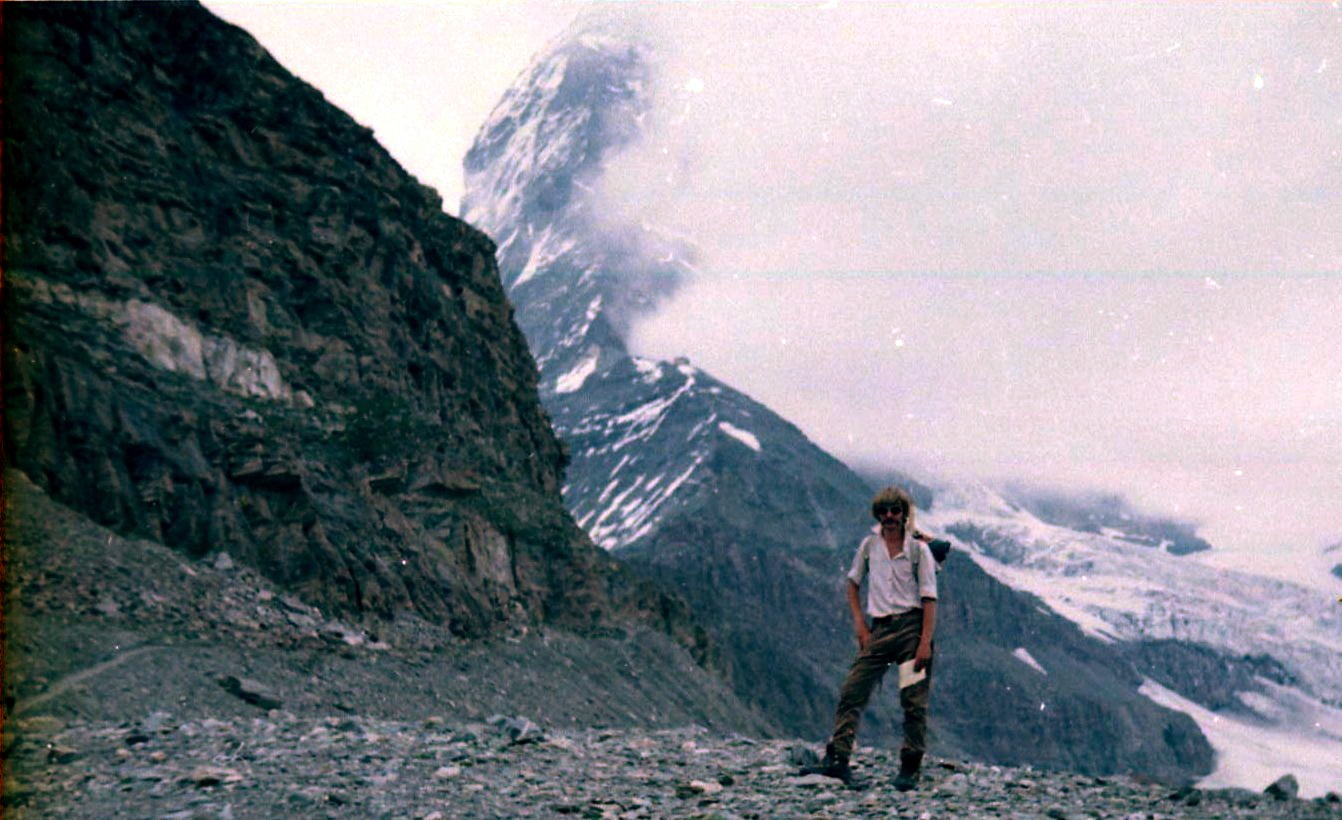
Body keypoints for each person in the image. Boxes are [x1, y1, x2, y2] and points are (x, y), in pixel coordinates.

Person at [801, 486, 938, 790]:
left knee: (913, 701)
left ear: (904, 514)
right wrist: (860, 626)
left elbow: (930, 598)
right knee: (853, 691)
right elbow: (852, 584)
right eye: (884, 511)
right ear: (878, 515)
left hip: (911, 630)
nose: (889, 517)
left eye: (895, 511)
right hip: (880, 629)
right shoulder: (869, 546)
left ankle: (910, 766)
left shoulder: (919, 551)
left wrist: (925, 642)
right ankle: (838, 760)